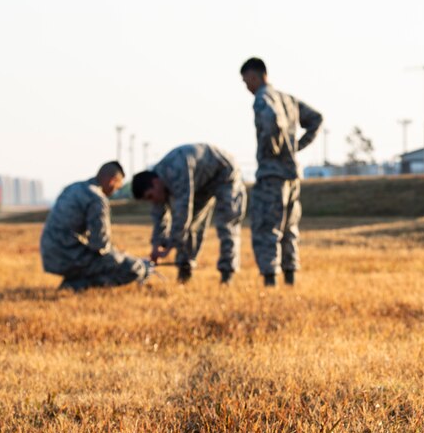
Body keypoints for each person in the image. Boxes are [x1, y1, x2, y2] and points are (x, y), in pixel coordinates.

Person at [240, 57, 323, 287]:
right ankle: (290, 280)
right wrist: (295, 148)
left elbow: (270, 122)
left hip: (271, 175)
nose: (246, 87)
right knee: (289, 228)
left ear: (254, 76)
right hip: (292, 174)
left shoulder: (262, 98)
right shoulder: (288, 99)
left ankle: (270, 282)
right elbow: (316, 119)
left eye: (246, 81)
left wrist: (274, 150)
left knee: (267, 227)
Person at [130, 144, 247, 284]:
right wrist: (156, 246)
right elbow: (159, 217)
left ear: (155, 183)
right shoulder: (158, 183)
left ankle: (228, 275)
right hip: (201, 182)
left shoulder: (175, 171)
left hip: (225, 173)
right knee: (191, 228)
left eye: (150, 196)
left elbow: (182, 213)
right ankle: (185, 270)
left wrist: (169, 247)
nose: (152, 201)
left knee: (226, 223)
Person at [39, 161, 152, 291]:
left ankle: (75, 280)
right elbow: (100, 245)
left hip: (50, 254)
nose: (115, 192)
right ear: (112, 181)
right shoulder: (97, 199)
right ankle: (76, 285)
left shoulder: (73, 188)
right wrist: (137, 263)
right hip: (69, 256)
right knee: (133, 268)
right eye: (117, 187)